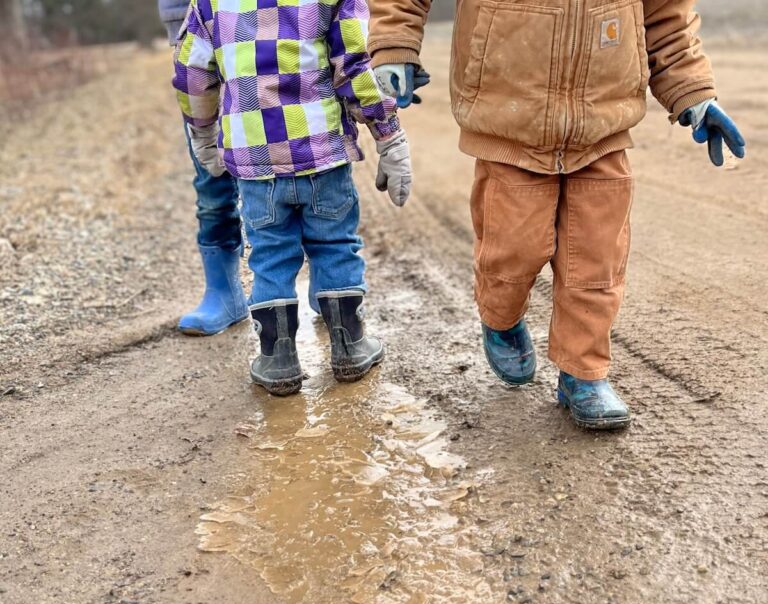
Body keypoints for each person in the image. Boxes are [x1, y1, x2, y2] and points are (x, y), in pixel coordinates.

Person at [368, 0, 746, 430]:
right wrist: (394, 44)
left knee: (595, 262)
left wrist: (693, 92)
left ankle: (583, 374)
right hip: (507, 117)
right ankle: (501, 317)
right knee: (512, 250)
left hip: (603, 125)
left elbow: (666, 19)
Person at [173, 0, 411, 396]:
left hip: (256, 161)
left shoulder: (209, 4)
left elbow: (192, 74)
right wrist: (389, 136)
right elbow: (352, 66)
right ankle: (350, 348)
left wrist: (202, 134)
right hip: (322, 154)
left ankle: (278, 358)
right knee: (335, 246)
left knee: (269, 255)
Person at [158, 0, 250, 336]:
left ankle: (327, 279)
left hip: (286, 18)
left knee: (296, 151)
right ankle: (224, 292)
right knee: (211, 176)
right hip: (193, 19)